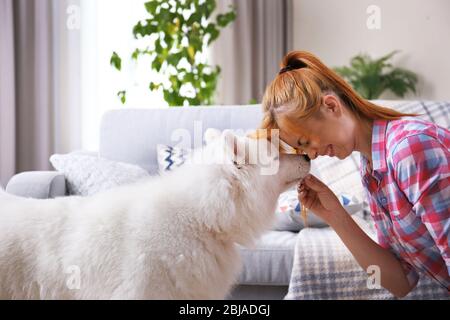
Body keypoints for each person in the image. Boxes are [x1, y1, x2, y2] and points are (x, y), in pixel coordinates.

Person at [260, 50, 449, 297]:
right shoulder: (372, 169)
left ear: (331, 105)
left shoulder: (409, 149)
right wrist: (335, 215)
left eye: (305, 141)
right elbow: (400, 281)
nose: (312, 155)